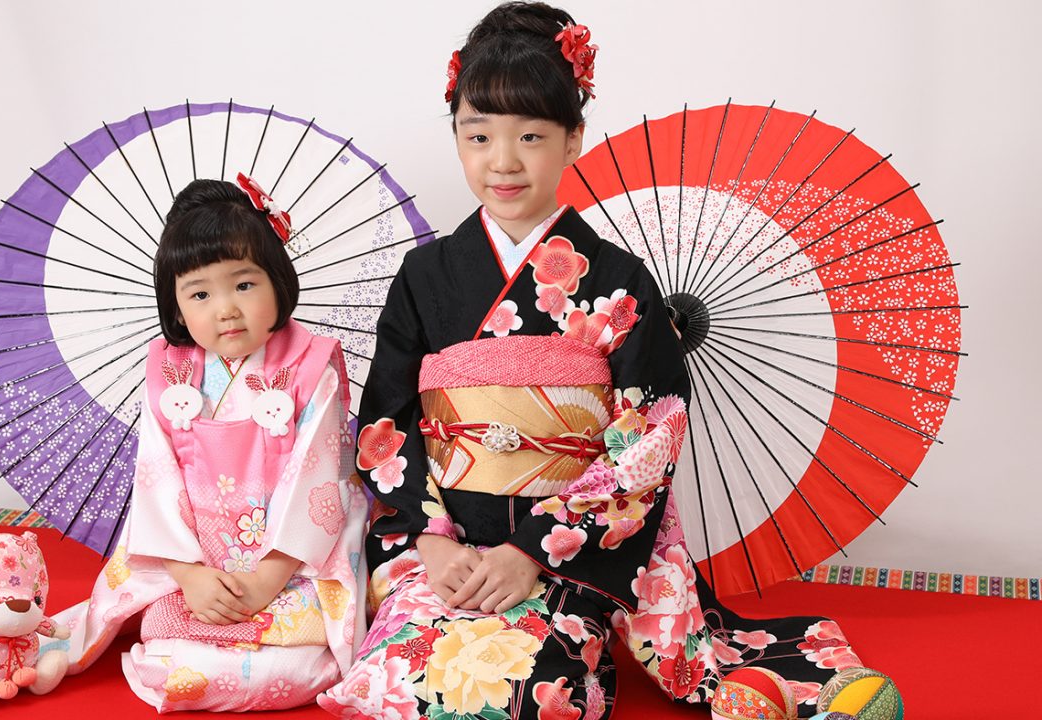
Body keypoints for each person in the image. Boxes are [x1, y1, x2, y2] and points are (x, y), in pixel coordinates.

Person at [318, 3, 860, 718]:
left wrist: (532, 550)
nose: (502, 161)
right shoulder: (425, 276)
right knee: (391, 683)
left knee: (530, 693)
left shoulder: (619, 280)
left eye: (531, 136)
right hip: (442, 551)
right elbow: (386, 422)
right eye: (478, 135)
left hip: (568, 553)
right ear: (457, 137)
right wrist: (433, 540)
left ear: (573, 138)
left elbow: (649, 436)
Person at [54, 175, 368, 712]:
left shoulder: (311, 363)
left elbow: (320, 482)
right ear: (176, 307)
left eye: (243, 285)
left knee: (296, 666)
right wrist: (190, 576)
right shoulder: (168, 368)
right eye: (200, 293)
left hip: (291, 566)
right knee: (172, 649)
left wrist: (266, 579)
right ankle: (198, 631)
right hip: (198, 562)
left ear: (277, 281)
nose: (226, 309)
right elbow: (155, 479)